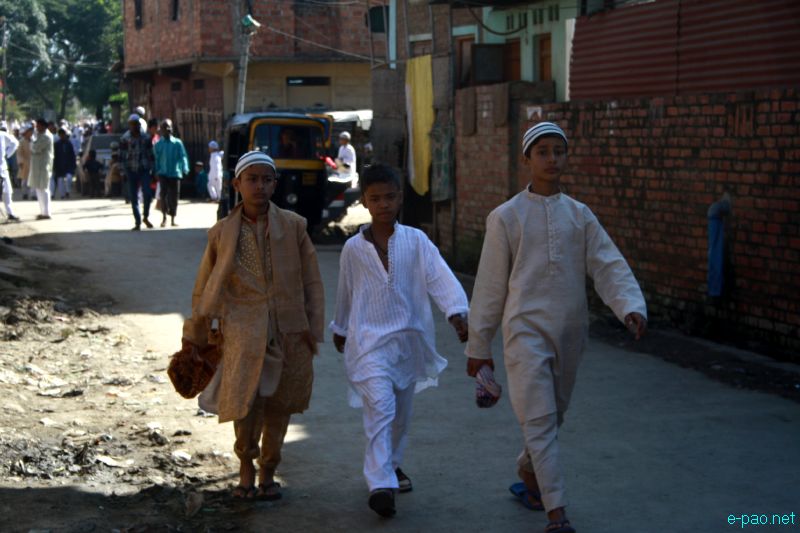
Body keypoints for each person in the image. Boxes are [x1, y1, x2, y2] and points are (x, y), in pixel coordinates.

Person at [465, 122, 648, 533]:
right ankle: (556, 513)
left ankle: (529, 471)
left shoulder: (580, 216)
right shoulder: (506, 217)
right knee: (541, 417)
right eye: (542, 151)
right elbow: (490, 287)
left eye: (558, 151)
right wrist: (479, 347)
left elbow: (608, 265)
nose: (551, 159)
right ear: (526, 159)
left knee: (552, 415)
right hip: (524, 332)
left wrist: (630, 307)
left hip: (569, 333)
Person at [181, 150, 324, 501]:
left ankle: (269, 470)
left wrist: (313, 328)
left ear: (275, 184)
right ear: (237, 184)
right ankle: (246, 465)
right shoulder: (221, 234)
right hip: (242, 333)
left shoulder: (294, 226)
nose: (259, 186)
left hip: (288, 331)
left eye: (266, 180)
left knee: (281, 403)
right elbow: (205, 287)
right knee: (244, 402)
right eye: (252, 179)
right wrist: (195, 335)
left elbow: (312, 282)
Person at [330, 163, 469, 518]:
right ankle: (381, 485)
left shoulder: (416, 241)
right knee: (381, 407)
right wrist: (341, 327)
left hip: (407, 343)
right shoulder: (353, 249)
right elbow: (346, 291)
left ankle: (391, 465)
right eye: (375, 198)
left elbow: (439, 277)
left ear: (400, 198)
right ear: (364, 201)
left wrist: (456, 312)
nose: (383, 205)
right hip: (367, 344)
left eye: (390, 197)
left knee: (400, 417)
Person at [119, 113, 154, 231]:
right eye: (132, 124)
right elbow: (121, 157)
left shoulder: (146, 138)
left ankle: (145, 216)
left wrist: (152, 169)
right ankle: (137, 221)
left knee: (147, 194)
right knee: (133, 197)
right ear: (129, 125)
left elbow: (151, 155)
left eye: (136, 124)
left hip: (144, 169)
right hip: (130, 170)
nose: (135, 126)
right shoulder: (125, 139)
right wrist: (122, 172)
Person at [153, 119, 189, 228]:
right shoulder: (158, 144)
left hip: (175, 173)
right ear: (161, 130)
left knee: (174, 196)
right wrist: (156, 171)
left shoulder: (177, 143)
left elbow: (183, 156)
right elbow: (156, 159)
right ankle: (164, 217)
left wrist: (185, 167)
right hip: (163, 173)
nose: (167, 129)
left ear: (172, 129)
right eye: (165, 127)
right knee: (163, 195)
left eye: (169, 127)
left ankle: (173, 217)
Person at [29, 118, 54, 220]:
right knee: (38, 189)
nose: (37, 128)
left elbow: (35, 148)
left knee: (44, 188)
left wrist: (32, 143)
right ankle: (43, 212)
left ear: (43, 126)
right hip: (37, 166)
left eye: (38, 126)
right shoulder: (39, 135)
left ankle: (47, 213)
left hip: (43, 166)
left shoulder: (46, 136)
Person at [0, 122, 20, 222]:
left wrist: (7, 154)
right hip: (2, 168)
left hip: (2, 168)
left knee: (7, 191)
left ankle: (10, 213)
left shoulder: (2, 135)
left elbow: (15, 143)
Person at [53, 128, 76, 199]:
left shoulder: (69, 144)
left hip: (68, 165)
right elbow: (55, 156)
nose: (62, 136)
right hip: (59, 165)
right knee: (60, 180)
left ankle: (67, 191)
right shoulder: (56, 144)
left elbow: (72, 155)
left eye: (63, 135)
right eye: (61, 135)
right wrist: (54, 166)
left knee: (69, 178)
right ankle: (62, 194)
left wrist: (74, 165)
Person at [17, 123, 34, 200]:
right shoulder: (21, 142)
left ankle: (33, 194)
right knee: (24, 180)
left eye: (31, 131)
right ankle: (25, 193)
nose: (30, 133)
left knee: (33, 179)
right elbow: (19, 153)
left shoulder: (34, 140)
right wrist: (20, 162)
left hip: (33, 163)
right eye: (29, 131)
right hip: (25, 163)